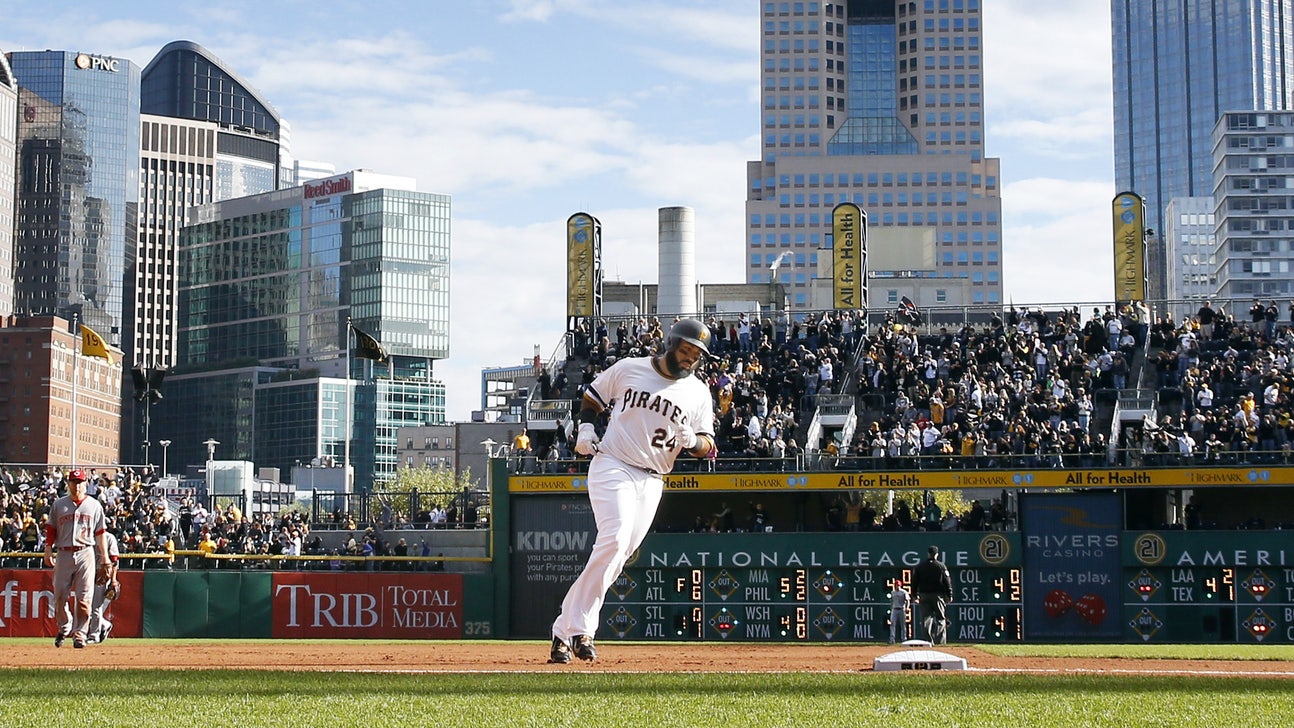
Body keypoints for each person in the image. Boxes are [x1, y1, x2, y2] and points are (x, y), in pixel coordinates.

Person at [549, 318, 716, 664]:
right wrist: (585, 430)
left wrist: (693, 441)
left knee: (617, 555)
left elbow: (709, 447)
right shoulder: (630, 368)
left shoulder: (698, 392)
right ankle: (582, 630)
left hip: (653, 479)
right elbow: (593, 397)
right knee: (615, 538)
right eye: (685, 349)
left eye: (696, 354)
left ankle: (564, 631)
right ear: (670, 344)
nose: (690, 358)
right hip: (614, 464)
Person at [43, 469, 111, 648]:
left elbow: (100, 533)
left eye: (80, 482)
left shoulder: (94, 505)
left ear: (85, 483)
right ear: (68, 483)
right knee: (59, 596)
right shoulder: (59, 505)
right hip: (64, 553)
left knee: (84, 598)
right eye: (73, 481)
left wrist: (105, 558)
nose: (77, 485)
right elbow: (51, 529)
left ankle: (80, 634)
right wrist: (48, 550)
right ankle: (65, 627)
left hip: (85, 552)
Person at [911, 545, 954, 645]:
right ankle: (939, 642)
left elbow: (914, 582)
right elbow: (947, 581)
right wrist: (949, 594)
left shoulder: (920, 566)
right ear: (937, 554)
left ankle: (928, 641)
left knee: (926, 619)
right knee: (940, 619)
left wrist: (914, 595)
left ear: (928, 554)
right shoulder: (941, 566)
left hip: (924, 595)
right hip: (938, 595)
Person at [87, 527, 120, 644]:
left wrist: (113, 579)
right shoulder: (88, 537)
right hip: (88, 573)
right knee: (86, 606)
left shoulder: (109, 538)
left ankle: (94, 635)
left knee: (95, 606)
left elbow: (114, 561)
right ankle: (105, 624)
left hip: (103, 574)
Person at [889, 579, 911, 644]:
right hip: (894, 609)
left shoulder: (904, 592)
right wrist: (891, 609)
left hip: (902, 609)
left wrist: (907, 607)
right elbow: (891, 602)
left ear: (900, 585)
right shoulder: (893, 592)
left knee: (903, 625)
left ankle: (904, 639)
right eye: (896, 585)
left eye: (898, 585)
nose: (897, 586)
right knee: (892, 624)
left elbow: (908, 600)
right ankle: (892, 639)